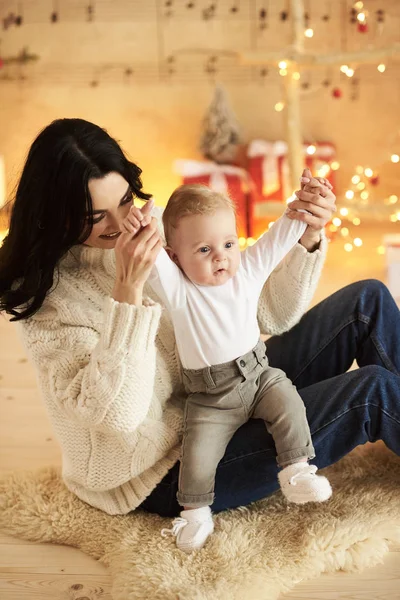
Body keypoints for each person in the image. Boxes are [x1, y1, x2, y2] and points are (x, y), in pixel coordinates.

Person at [0, 118, 399, 535]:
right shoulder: (46, 305)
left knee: (366, 300)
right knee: (371, 391)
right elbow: (119, 415)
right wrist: (128, 291)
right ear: (54, 213)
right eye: (95, 216)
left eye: (124, 201)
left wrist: (308, 236)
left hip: (234, 386)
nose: (120, 225)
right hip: (171, 467)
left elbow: (267, 314)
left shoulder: (151, 234)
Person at [143, 184, 332, 553]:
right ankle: (195, 512)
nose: (221, 258)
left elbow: (279, 236)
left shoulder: (245, 272)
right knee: (197, 453)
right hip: (211, 399)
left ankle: (296, 469)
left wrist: (305, 205)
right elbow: (154, 262)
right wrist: (146, 223)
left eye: (228, 244)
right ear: (175, 256)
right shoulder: (178, 290)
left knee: (288, 402)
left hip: (259, 376)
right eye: (203, 250)